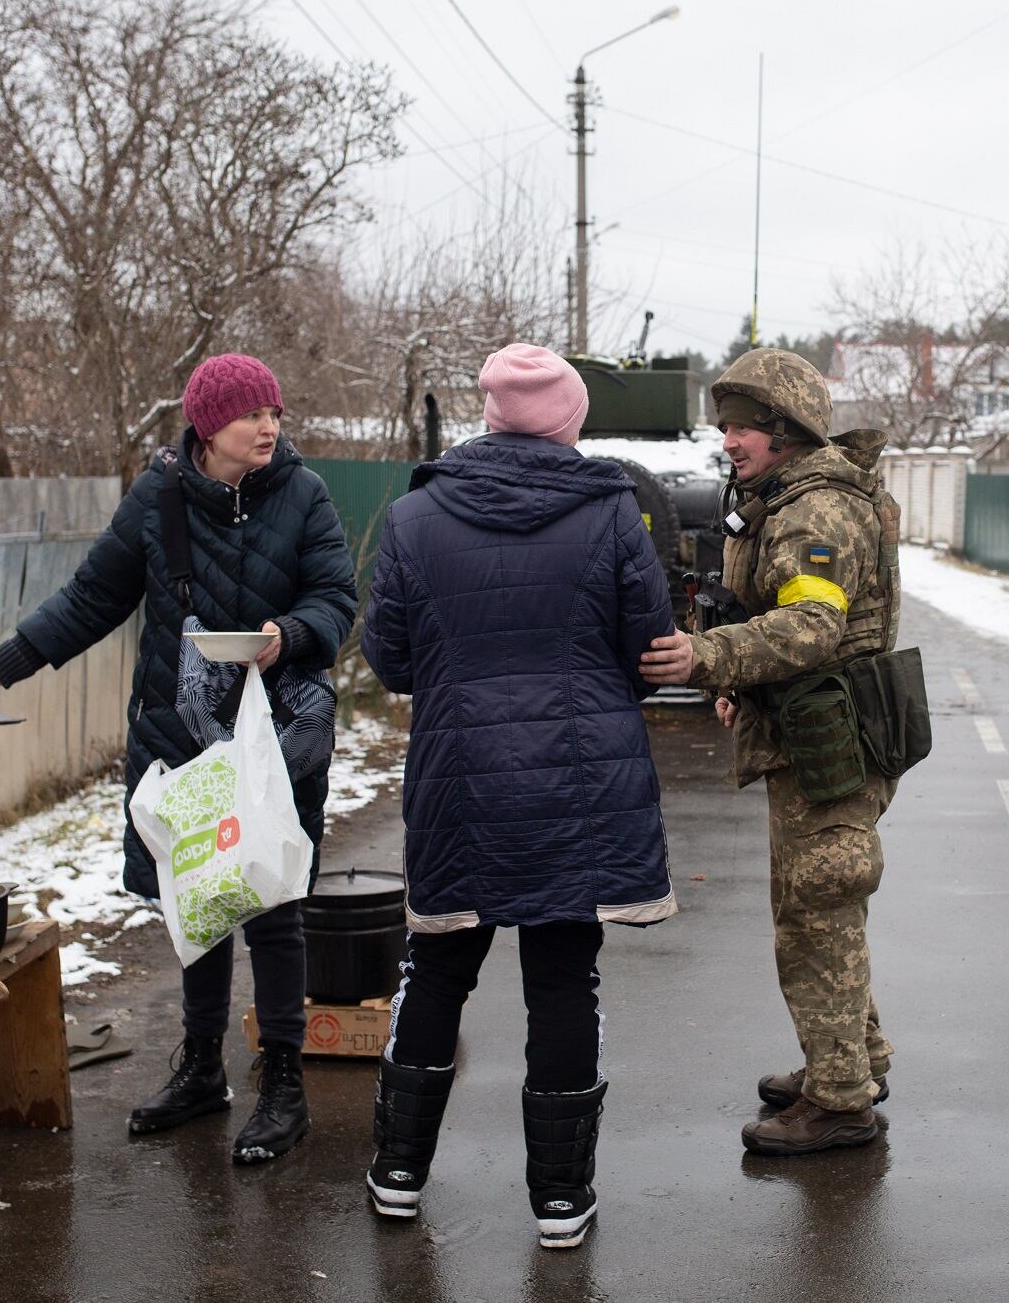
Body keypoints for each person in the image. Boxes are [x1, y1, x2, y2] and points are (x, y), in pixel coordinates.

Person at [0, 353, 356, 1164]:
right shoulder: (158, 495)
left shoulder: (304, 495)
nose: (269, 426)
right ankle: (202, 1069)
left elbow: (336, 600)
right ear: (209, 427)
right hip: (180, 735)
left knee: (272, 907)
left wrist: (290, 634)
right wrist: (4, 664)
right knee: (195, 902)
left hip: (274, 739)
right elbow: (93, 596)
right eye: (251, 415)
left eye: (275, 411)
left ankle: (283, 1085)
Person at [357, 342, 675, 1249]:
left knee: (439, 967)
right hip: (580, 780)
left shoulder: (417, 514)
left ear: (491, 416)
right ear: (570, 420)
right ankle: (560, 1200)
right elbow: (647, 647)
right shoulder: (612, 509)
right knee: (563, 977)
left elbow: (388, 657)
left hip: (458, 777)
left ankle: (398, 1173)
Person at [639, 347, 901, 1156]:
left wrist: (706, 657)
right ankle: (853, 1058)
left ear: (784, 429)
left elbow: (812, 626)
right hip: (814, 732)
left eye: (743, 427)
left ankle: (841, 1102)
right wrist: (741, 683)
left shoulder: (815, 511)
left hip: (834, 743)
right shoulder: (784, 496)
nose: (729, 441)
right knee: (823, 905)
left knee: (816, 911)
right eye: (725, 426)